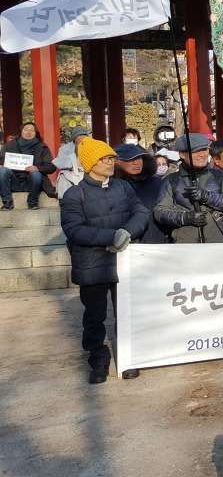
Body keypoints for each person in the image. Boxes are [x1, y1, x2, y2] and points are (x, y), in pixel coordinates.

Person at [60, 137, 149, 383]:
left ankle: (130, 358)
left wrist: (127, 232)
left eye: (111, 158)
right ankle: (98, 360)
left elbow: (141, 212)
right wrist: (112, 236)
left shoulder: (123, 187)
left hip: (124, 262)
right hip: (92, 265)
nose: (110, 162)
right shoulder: (73, 194)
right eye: (104, 159)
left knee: (127, 313)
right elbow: (75, 230)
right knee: (94, 315)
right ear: (89, 163)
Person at [154, 133, 223, 244]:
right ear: (182, 154)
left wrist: (207, 196)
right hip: (185, 243)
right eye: (195, 151)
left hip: (219, 240)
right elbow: (159, 212)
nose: (202, 155)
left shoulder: (221, 176)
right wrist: (185, 218)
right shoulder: (171, 181)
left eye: (204, 150)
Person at [113, 143, 169, 244]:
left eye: (139, 158)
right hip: (125, 242)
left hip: (156, 241)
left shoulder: (157, 183)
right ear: (117, 162)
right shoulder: (112, 186)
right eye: (129, 159)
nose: (136, 163)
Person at [0, 122, 56, 210]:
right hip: (13, 181)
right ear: (20, 132)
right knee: (2, 171)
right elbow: (1, 158)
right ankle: (7, 201)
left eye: (32, 131)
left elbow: (51, 166)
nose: (28, 132)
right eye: (26, 130)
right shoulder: (10, 145)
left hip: (31, 182)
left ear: (36, 134)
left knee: (36, 174)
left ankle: (32, 202)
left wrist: (38, 168)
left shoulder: (42, 147)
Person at [53, 126, 89, 199]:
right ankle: (64, 198)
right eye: (80, 135)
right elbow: (62, 162)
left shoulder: (92, 146)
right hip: (71, 171)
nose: (83, 137)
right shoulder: (64, 148)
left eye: (84, 135)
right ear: (74, 138)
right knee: (63, 175)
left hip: (87, 170)